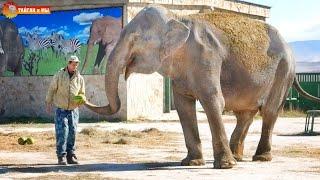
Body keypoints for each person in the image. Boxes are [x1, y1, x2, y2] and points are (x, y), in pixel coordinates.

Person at [45, 55, 85, 165]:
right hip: (61, 109)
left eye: (77, 64)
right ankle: (61, 156)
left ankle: (71, 156)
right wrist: (48, 102)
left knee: (72, 132)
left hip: (73, 110)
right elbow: (52, 88)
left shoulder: (79, 78)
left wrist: (81, 99)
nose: (75, 66)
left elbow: (82, 92)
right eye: (73, 64)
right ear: (68, 63)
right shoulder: (59, 75)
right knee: (62, 132)